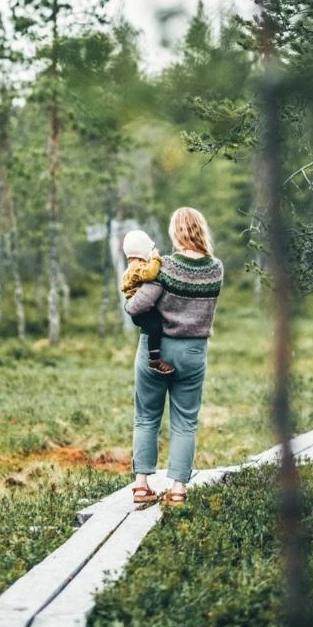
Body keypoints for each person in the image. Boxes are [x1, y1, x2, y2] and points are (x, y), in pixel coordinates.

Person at [124, 207, 223, 506]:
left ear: (175, 232)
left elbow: (135, 307)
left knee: (146, 417)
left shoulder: (163, 266)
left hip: (157, 349)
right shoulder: (215, 268)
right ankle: (178, 488)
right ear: (200, 229)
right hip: (193, 351)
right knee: (185, 422)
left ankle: (141, 484)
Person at [121, 229, 175, 375]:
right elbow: (150, 274)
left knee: (156, 325)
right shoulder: (137, 267)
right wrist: (156, 259)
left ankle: (155, 356)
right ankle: (154, 359)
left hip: (141, 310)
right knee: (155, 327)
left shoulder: (133, 266)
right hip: (141, 310)